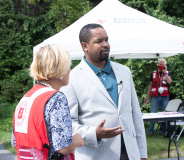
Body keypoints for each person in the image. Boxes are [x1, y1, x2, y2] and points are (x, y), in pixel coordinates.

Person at [60, 23, 147, 160]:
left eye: (106, 39)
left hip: (130, 154)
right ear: (85, 46)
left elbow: (136, 115)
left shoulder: (124, 71)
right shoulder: (71, 78)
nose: (105, 44)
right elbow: (68, 125)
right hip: (95, 155)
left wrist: (141, 153)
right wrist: (94, 133)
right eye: (99, 41)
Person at [11, 44, 84, 160]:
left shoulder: (26, 98)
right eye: (68, 66)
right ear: (60, 69)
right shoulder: (56, 98)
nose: (70, 70)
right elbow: (63, 147)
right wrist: (76, 141)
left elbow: (15, 143)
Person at [144, 58, 172, 136]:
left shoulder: (168, 73)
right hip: (155, 96)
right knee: (152, 113)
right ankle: (150, 130)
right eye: (159, 64)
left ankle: (162, 130)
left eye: (162, 64)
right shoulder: (153, 73)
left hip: (165, 96)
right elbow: (151, 85)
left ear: (165, 65)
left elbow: (169, 82)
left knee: (164, 113)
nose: (160, 65)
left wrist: (165, 72)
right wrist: (147, 96)